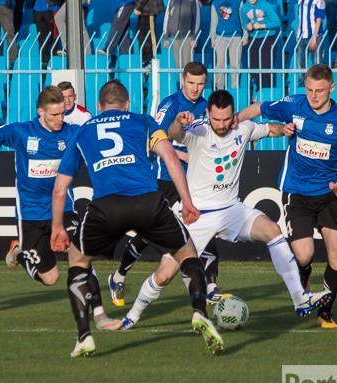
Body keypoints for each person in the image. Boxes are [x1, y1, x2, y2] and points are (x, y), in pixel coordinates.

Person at [119, 90, 333, 329]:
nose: (221, 125)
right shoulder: (198, 130)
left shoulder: (243, 128)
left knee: (272, 230)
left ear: (233, 115)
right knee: (164, 274)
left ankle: (299, 298)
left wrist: (284, 129)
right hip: (197, 215)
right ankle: (132, 316)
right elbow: (175, 134)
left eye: (226, 119)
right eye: (216, 119)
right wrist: (178, 122)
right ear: (207, 113)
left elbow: (269, 129)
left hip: (231, 210)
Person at [51, 80, 224, 357]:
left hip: (106, 207)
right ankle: (200, 312)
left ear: (98, 106)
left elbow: (60, 189)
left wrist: (57, 227)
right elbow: (170, 159)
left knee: (78, 260)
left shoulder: (83, 130)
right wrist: (188, 202)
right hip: (148, 202)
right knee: (187, 254)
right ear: (127, 104)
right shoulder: (143, 121)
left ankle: (84, 336)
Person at [0, 83, 120, 332]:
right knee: (51, 278)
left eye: (62, 113)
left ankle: (100, 316)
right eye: (54, 114)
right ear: (41, 112)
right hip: (31, 215)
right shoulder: (21, 132)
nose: (60, 119)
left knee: (81, 253)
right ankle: (19, 252)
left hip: (63, 209)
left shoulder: (72, 132)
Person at [237, 63, 337, 328]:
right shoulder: (294, 105)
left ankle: (325, 311)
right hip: (297, 192)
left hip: (331, 192)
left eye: (320, 91)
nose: (313, 96)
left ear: (332, 88)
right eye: (309, 90)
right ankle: (303, 280)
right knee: (304, 256)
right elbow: (259, 108)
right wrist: (232, 123)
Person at [109, 62, 229, 308]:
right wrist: (183, 156)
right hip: (167, 180)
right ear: (182, 81)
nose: (195, 88)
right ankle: (118, 276)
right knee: (148, 234)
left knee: (207, 225)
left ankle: (211, 286)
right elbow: (155, 141)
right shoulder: (170, 105)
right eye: (191, 83)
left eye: (200, 84)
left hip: (196, 181)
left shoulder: (206, 107)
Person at [240, 0, 281, 89]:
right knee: (254, 67)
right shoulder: (244, 8)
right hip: (253, 38)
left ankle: (266, 91)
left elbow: (277, 22)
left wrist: (262, 26)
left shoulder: (265, 5)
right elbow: (244, 23)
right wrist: (247, 26)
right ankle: (259, 89)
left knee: (266, 67)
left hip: (267, 37)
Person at [210, 0, 243, 89]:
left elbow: (242, 19)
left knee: (235, 64)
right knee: (220, 64)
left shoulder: (238, 1)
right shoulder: (215, 3)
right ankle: (220, 88)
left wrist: (245, 35)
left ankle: (235, 88)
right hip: (220, 36)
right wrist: (213, 38)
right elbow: (214, 22)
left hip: (236, 36)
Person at [162, 0, 201, 75]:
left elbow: (197, 19)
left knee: (188, 64)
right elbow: (167, 18)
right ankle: (181, 82)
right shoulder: (171, 1)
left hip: (187, 37)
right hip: (174, 37)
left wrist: (194, 38)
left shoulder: (193, 1)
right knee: (178, 65)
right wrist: (165, 37)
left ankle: (189, 82)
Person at [296, 0, 325, 86]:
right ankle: (302, 83)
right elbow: (301, 18)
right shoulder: (300, 1)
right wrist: (298, 32)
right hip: (302, 36)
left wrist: (314, 37)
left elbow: (319, 19)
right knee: (300, 62)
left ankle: (318, 83)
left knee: (317, 62)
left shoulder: (318, 1)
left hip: (315, 36)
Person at [134, 0, 165, 67]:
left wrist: (138, 7)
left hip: (149, 10)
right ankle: (145, 59)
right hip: (145, 10)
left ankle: (150, 59)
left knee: (149, 34)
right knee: (142, 34)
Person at [33, 0, 59, 68]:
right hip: (44, 8)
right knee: (44, 37)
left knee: (49, 37)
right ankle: (46, 62)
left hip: (48, 8)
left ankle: (49, 62)